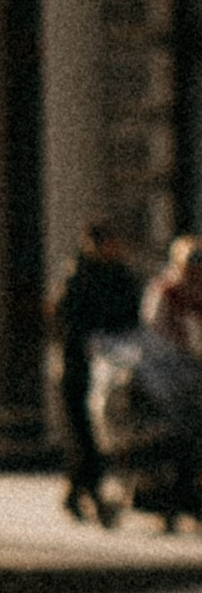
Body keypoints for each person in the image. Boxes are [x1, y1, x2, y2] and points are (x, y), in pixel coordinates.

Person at [48, 216, 142, 522]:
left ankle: (77, 494)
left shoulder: (121, 275)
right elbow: (64, 320)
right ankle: (93, 496)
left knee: (97, 437)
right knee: (83, 437)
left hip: (114, 363)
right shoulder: (77, 275)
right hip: (76, 367)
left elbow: (132, 314)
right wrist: (86, 343)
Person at [140, 230, 202, 529]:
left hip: (194, 374)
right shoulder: (165, 290)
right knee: (175, 438)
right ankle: (170, 503)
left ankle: (188, 500)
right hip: (168, 375)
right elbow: (154, 331)